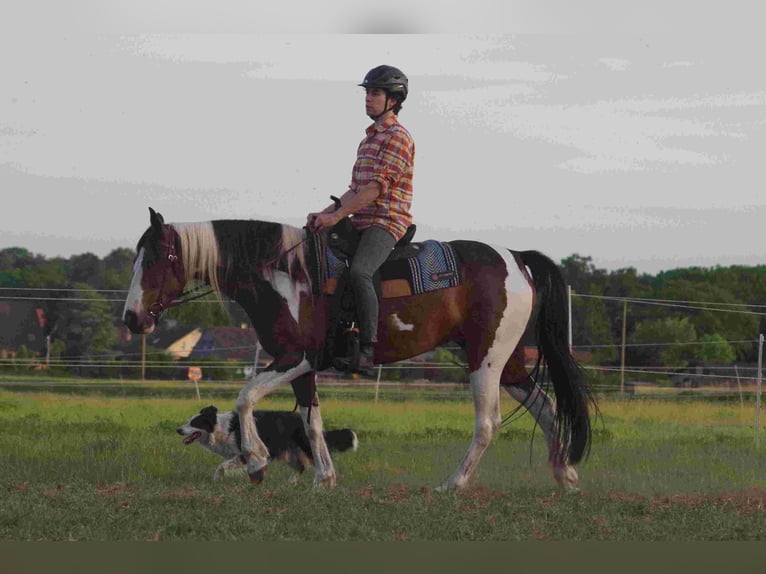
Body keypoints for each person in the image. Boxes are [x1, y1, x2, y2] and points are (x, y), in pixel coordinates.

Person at [307, 65, 415, 376]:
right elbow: (355, 188)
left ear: (393, 100)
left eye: (375, 93)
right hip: (360, 218)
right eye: (367, 92)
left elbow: (375, 189)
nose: (368, 98)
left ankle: (367, 349)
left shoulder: (397, 138)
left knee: (360, 272)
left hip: (386, 220)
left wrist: (339, 215)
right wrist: (325, 214)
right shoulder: (368, 140)